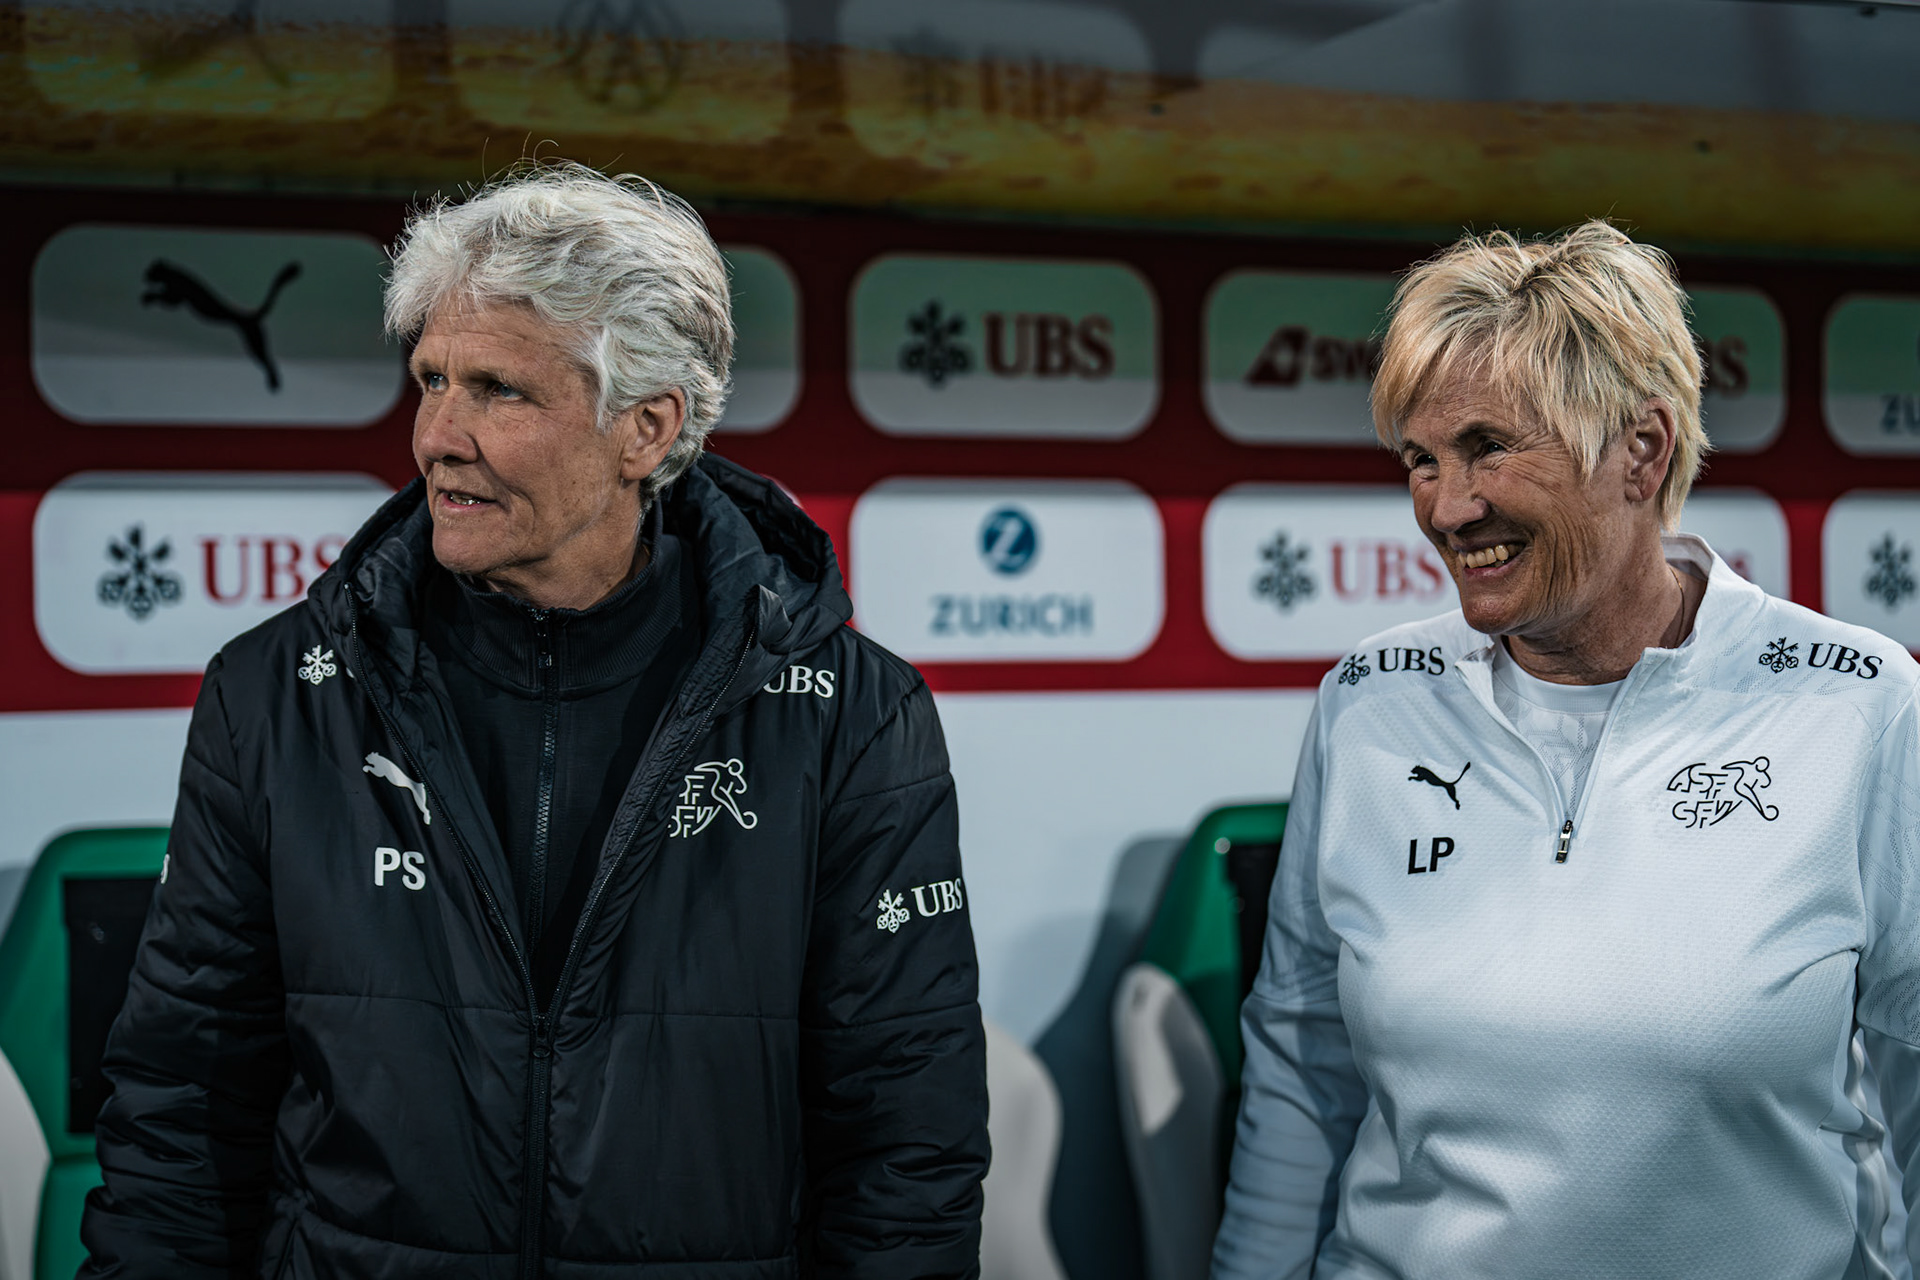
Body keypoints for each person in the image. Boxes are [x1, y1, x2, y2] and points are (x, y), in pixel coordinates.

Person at [79, 164, 989, 1279]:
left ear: (645, 430)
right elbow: (181, 1109)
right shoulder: (272, 693)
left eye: (500, 391)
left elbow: (907, 1141)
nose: (438, 436)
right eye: (431, 379)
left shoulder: (854, 715)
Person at [1212, 220, 1920, 1279]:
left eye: (1489, 447)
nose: (1449, 508)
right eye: (1421, 460)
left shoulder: (1857, 702)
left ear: (1642, 451)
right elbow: (1302, 1058)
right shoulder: (1367, 702)